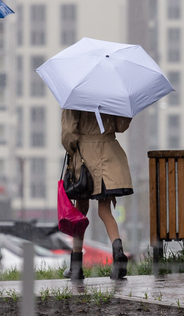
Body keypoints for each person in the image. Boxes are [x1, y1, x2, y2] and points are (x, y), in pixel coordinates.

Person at [61, 109, 133, 281]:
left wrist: (71, 149)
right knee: (105, 210)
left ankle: (76, 267)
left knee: (80, 212)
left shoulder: (75, 97)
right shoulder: (110, 97)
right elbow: (121, 126)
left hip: (85, 157)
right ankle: (118, 254)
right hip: (109, 155)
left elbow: (68, 133)